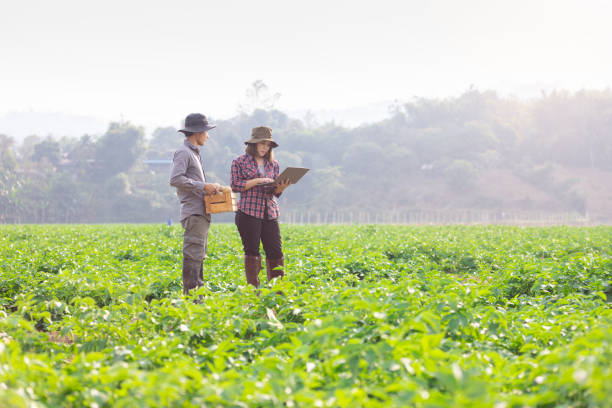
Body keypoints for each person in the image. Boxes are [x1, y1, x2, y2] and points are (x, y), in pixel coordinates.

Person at [230, 126, 291, 288]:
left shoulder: (274, 164)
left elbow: (274, 192)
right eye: (261, 143)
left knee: (276, 252)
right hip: (248, 212)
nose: (265, 147)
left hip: (269, 212)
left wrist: (281, 187)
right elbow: (235, 185)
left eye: (267, 144)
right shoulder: (239, 161)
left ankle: (277, 293)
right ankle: (254, 292)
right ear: (253, 144)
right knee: (252, 252)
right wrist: (258, 181)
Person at [169, 113, 221, 295]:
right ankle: (191, 300)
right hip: (194, 214)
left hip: (201, 213)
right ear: (197, 132)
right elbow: (175, 179)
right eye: (206, 132)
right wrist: (203, 186)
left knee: (199, 257)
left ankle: (197, 299)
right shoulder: (184, 152)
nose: (208, 135)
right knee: (193, 257)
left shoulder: (193, 153)